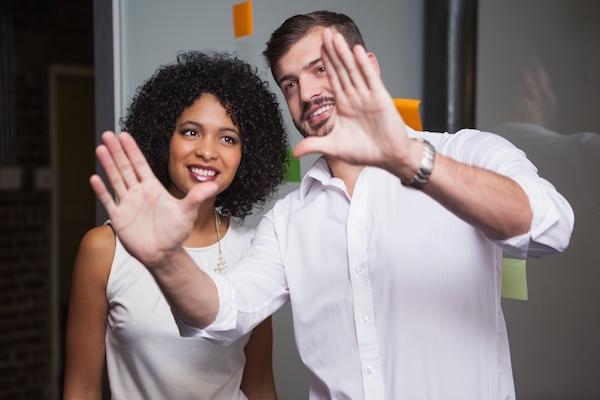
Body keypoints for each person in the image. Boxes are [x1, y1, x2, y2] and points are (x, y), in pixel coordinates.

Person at [90, 11, 574, 400]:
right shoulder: (288, 221)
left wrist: (407, 158)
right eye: (290, 83)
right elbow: (221, 317)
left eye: (320, 68)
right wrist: (165, 259)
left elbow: (549, 228)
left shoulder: (469, 153)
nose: (307, 93)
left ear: (368, 66)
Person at [63, 51, 287, 400]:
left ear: (248, 155)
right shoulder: (103, 250)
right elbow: (81, 388)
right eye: (191, 132)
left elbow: (258, 385)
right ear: (164, 138)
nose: (207, 151)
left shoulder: (256, 249)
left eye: (228, 138)